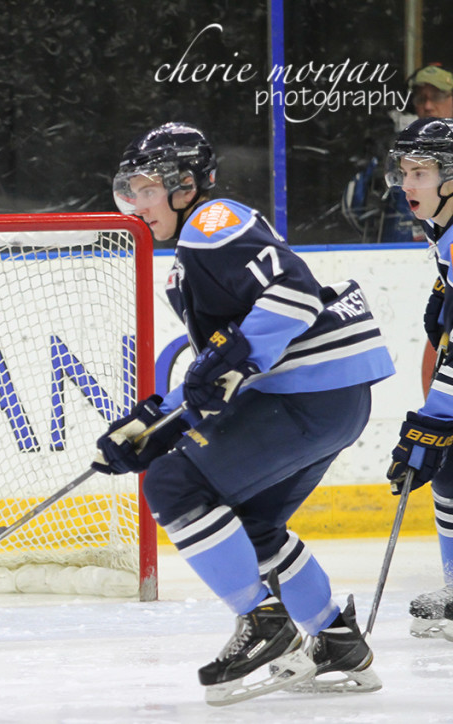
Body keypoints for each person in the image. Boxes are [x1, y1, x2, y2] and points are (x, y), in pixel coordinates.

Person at [95, 122, 394, 705]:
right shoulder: (192, 253)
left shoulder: (211, 223)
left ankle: (263, 623)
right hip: (330, 398)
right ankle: (335, 640)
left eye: (147, 188)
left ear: (186, 187)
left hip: (304, 393)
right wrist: (154, 425)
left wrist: (224, 369)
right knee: (252, 525)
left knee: (175, 484)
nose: (135, 203)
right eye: (128, 189)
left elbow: (295, 294)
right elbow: (219, 370)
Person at [381, 117, 453, 639]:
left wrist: (434, 417)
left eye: (421, 172)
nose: (408, 184)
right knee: (449, 467)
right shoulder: (444, 232)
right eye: (404, 171)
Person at [341, 63, 453, 244]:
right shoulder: (395, 148)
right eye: (420, 98)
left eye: (438, 96)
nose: (428, 105)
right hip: (398, 253)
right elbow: (353, 206)